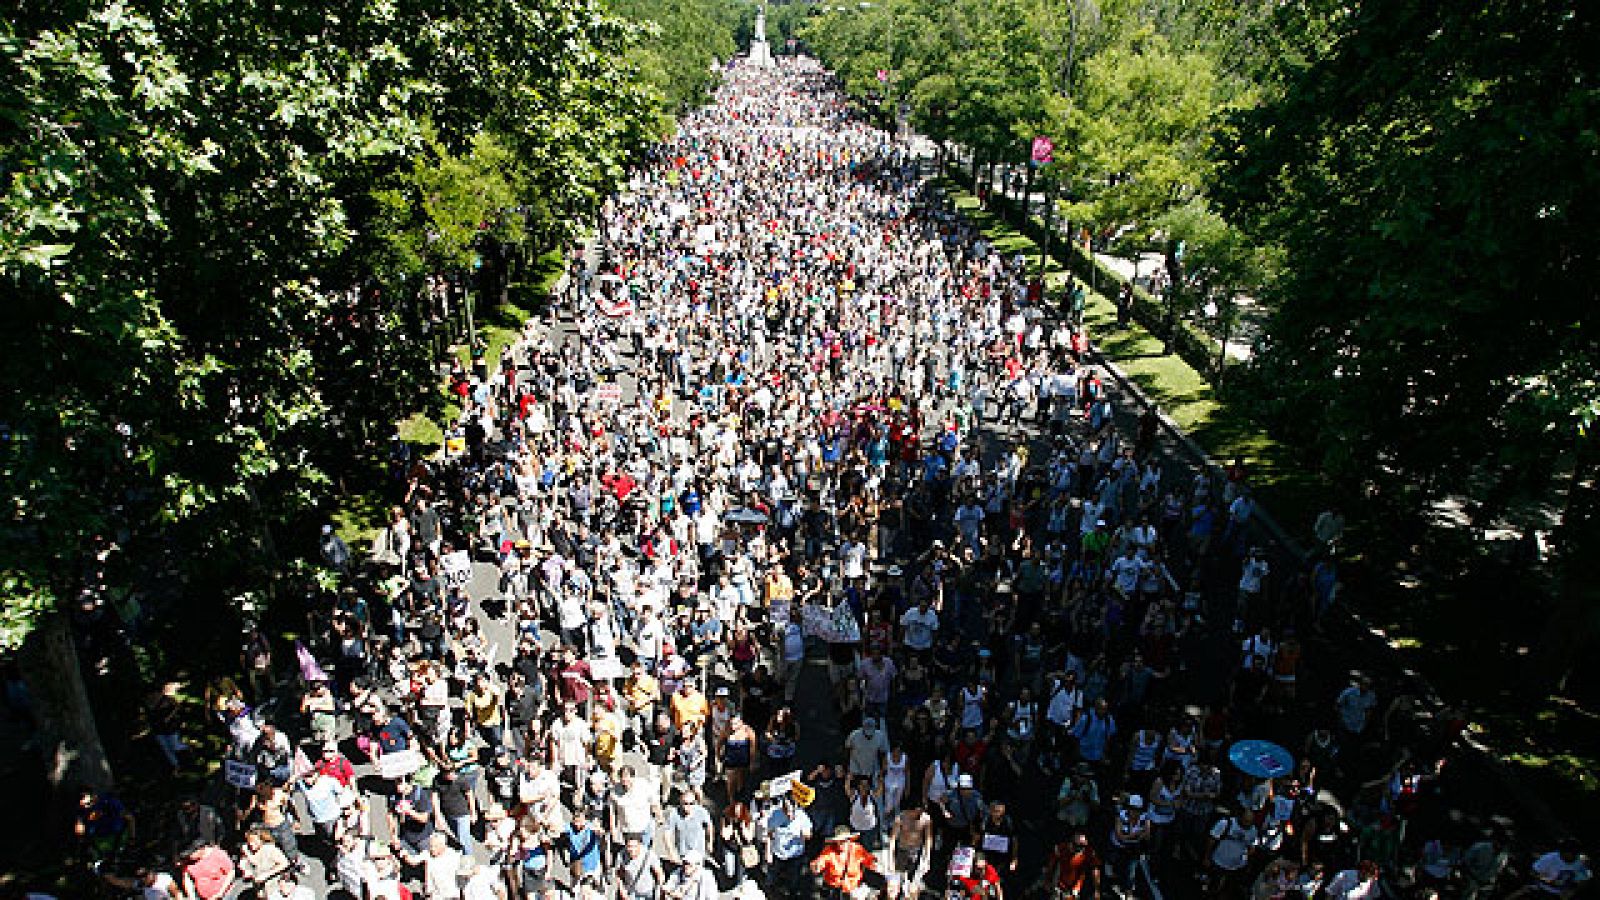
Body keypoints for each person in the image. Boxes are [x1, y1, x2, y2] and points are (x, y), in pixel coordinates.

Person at [811, 826, 878, 900]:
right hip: (834, 890)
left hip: (853, 890)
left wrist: (874, 863)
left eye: (845, 840)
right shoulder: (829, 851)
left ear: (849, 840)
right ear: (836, 841)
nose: (842, 843)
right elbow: (819, 862)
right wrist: (816, 866)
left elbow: (869, 860)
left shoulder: (857, 849)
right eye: (840, 841)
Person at [1044, 832, 1100, 900]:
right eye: (1073, 844)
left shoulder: (1088, 853)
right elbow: (1051, 864)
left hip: (1074, 890)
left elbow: (1095, 870)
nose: (1071, 847)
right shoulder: (1062, 848)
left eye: (1081, 847)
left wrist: (1096, 890)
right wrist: (1047, 880)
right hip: (1057, 885)